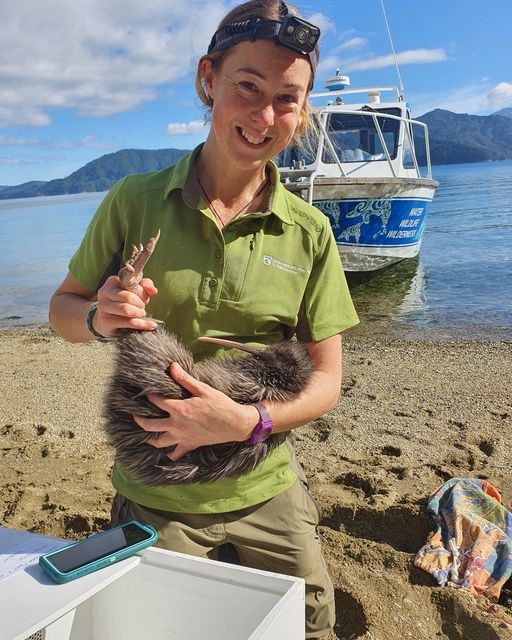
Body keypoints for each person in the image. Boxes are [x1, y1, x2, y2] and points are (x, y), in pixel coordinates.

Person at [49, 1, 359, 638]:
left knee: (311, 621)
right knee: (153, 626)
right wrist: (101, 318)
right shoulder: (135, 202)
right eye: (248, 86)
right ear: (207, 79)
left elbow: (327, 382)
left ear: (303, 111)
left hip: (265, 481)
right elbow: (63, 310)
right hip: (157, 487)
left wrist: (248, 421)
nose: (264, 115)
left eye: (287, 99)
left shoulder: (310, 231)